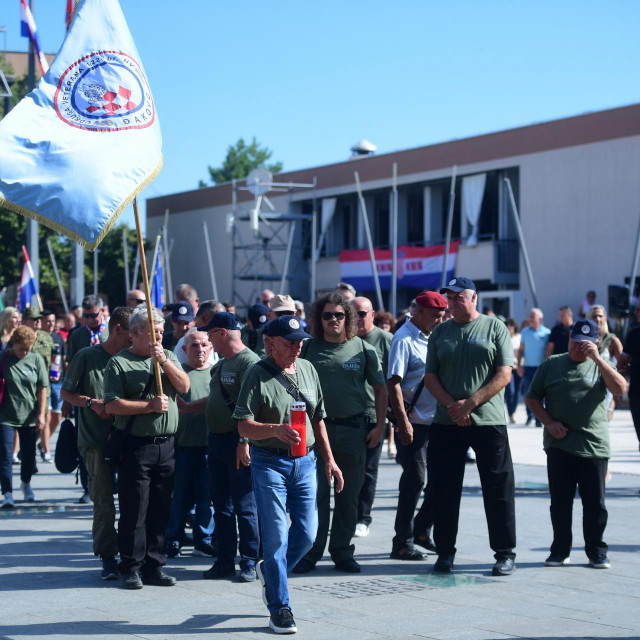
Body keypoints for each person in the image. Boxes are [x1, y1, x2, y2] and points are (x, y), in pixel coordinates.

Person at [233, 315, 343, 634]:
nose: (297, 349)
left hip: (306, 462)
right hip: (269, 462)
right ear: (270, 344)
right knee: (277, 535)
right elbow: (242, 424)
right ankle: (280, 607)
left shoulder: (308, 369)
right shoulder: (256, 375)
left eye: (300, 343)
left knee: (307, 535)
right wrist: (274, 430)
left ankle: (271, 570)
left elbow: (318, 418)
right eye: (291, 343)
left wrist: (329, 460)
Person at [425, 276, 516, 576]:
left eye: (458, 296)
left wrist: (470, 403)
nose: (452, 301)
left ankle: (504, 553)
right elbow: (430, 377)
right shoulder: (440, 332)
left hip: (487, 420)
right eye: (449, 297)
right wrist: (454, 405)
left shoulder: (494, 327)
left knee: (498, 488)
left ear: (474, 297)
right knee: (444, 489)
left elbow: (504, 374)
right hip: (447, 421)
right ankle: (445, 553)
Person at [294, 293, 386, 575]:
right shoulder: (307, 348)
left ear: (348, 318)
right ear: (318, 319)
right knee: (316, 495)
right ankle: (311, 552)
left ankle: (342, 552)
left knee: (348, 496)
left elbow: (381, 389)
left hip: (353, 430)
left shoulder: (362, 348)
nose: (333, 320)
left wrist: (381, 426)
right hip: (314, 434)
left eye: (339, 315)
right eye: (327, 315)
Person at [525, 319, 626, 569]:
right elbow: (532, 398)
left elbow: (621, 388)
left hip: (593, 445)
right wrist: (549, 422)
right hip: (559, 445)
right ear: (569, 337)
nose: (577, 347)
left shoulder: (601, 366)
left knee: (595, 504)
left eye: (584, 343)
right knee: (560, 502)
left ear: (594, 342)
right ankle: (560, 550)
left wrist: (599, 360)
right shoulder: (552, 364)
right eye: (574, 341)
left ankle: (596, 551)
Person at [103, 306, 190, 589]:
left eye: (162, 331)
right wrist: (148, 406)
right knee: (135, 508)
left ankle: (155, 564)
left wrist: (164, 362)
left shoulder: (169, 357)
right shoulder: (119, 363)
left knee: (161, 507)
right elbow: (112, 404)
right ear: (137, 332)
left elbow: (184, 386)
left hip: (167, 445)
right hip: (136, 445)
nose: (159, 336)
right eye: (154, 332)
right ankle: (130, 565)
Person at [61, 306, 134, 579]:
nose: (134, 337)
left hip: (127, 440)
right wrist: (90, 403)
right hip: (95, 440)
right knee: (103, 502)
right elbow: (67, 392)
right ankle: (107, 555)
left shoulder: (132, 357)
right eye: (131, 332)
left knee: (131, 500)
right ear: (117, 329)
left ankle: (130, 553)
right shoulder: (87, 356)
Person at [200, 312, 261, 581]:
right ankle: (224, 559)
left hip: (237, 442)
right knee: (221, 505)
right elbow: (214, 398)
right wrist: (188, 407)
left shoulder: (249, 363)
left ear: (222, 333)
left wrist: (244, 441)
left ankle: (249, 560)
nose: (208, 339)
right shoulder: (223, 363)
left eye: (210, 334)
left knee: (244, 505)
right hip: (217, 441)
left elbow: (255, 407)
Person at [387, 291, 447, 560]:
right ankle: (402, 541)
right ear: (418, 312)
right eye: (435, 316)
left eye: (442, 316)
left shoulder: (432, 335)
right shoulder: (404, 338)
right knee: (415, 481)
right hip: (414, 424)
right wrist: (403, 423)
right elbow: (393, 383)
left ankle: (422, 529)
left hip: (437, 422)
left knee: (442, 478)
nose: (439, 320)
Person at [165, 330, 215, 559]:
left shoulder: (217, 374)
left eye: (204, 345)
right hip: (182, 447)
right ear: (184, 350)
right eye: (194, 345)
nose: (200, 349)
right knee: (180, 498)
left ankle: (203, 540)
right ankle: (173, 538)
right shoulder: (179, 375)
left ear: (211, 348)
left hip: (209, 447)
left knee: (207, 499)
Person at [351, 296, 393, 539]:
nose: (358, 318)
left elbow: (394, 381)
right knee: (347, 470)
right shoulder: (345, 340)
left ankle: (363, 517)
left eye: (363, 313)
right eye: (353, 314)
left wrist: (382, 422)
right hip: (347, 415)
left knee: (368, 471)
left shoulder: (385, 340)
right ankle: (347, 516)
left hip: (373, 415)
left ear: (373, 314)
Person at [0, 326, 48, 508]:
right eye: (21, 348)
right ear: (14, 343)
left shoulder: (36, 359)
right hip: (6, 415)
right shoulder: (3, 357)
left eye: (28, 348)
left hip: (30, 416)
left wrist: (41, 414)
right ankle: (7, 493)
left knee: (28, 455)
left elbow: (42, 387)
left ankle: (26, 484)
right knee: (5, 456)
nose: (24, 352)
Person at [517, 308, 550, 426]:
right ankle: (529, 415)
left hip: (541, 368)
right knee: (528, 392)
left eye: (533, 316)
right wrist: (520, 365)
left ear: (540, 319)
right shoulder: (525, 332)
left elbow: (549, 350)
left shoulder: (547, 333)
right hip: (528, 368)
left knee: (541, 393)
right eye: (530, 316)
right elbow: (521, 350)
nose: (530, 318)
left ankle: (539, 418)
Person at [40, 310, 66, 462]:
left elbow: (63, 359)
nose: (50, 324)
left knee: (57, 416)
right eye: (47, 321)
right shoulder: (38, 338)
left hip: (58, 381)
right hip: (44, 383)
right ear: (41, 322)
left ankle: (42, 442)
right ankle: (46, 450)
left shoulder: (58, 338)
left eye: (52, 321)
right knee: (47, 415)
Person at [174, 300, 224, 366]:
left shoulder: (211, 338)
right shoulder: (187, 342)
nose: (222, 325)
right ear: (204, 318)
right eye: (218, 320)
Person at [66, 295, 109, 363]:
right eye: (86, 315)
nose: (89, 320)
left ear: (102, 311)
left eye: (93, 315)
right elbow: (70, 363)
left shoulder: (113, 331)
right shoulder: (76, 335)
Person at [504, 318, 522, 424]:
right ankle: (511, 413)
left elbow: (522, 351)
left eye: (511, 326)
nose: (509, 328)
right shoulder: (504, 337)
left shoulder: (519, 337)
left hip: (518, 367)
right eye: (507, 326)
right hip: (508, 368)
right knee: (510, 391)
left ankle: (513, 411)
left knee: (517, 392)